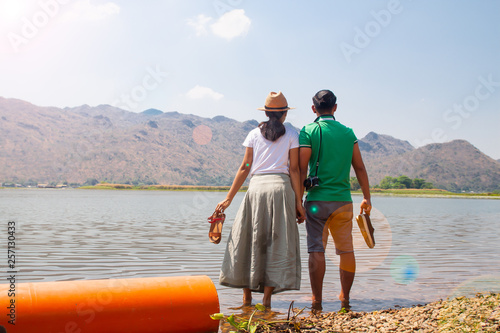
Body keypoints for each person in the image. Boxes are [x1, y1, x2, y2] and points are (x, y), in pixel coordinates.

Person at [215, 91, 305, 308]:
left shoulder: (254, 134)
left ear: (266, 112)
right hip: (281, 190)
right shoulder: (293, 134)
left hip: (256, 190)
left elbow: (245, 167)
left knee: (248, 239)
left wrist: (228, 198)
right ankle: (266, 300)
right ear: (284, 114)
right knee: (277, 242)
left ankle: (246, 298)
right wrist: (299, 202)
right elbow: (294, 170)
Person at [299, 89, 371, 311]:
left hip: (316, 202)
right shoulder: (348, 133)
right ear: (335, 108)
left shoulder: (308, 130)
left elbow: (302, 168)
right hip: (343, 201)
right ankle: (345, 298)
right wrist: (367, 197)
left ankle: (316, 299)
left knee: (316, 250)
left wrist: (297, 201)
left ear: (313, 109)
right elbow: (359, 166)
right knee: (346, 250)